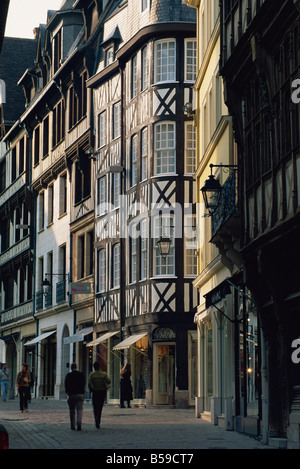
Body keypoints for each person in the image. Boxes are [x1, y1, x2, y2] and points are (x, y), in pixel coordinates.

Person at [88, 361, 111, 429]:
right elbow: (109, 381)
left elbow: (89, 383)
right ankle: (99, 420)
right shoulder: (103, 374)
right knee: (100, 406)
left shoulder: (92, 375)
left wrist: (91, 389)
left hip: (95, 391)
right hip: (102, 391)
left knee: (95, 406)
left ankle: (96, 419)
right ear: (99, 366)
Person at [65, 363, 86, 431]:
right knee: (79, 410)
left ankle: (72, 425)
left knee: (72, 410)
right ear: (76, 367)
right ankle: (79, 423)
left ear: (71, 368)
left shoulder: (69, 375)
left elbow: (66, 385)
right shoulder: (81, 374)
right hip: (80, 394)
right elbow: (84, 383)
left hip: (72, 395)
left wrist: (68, 393)